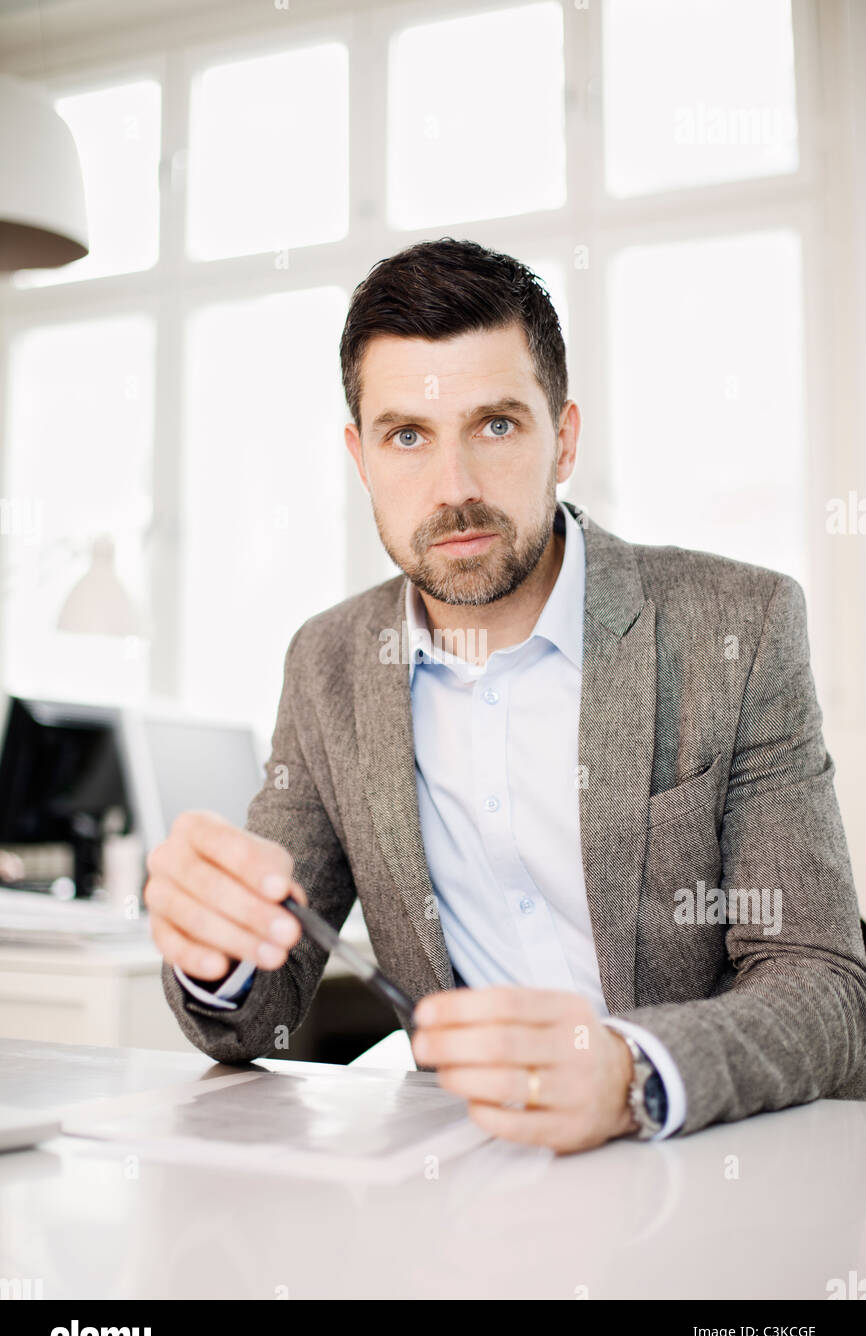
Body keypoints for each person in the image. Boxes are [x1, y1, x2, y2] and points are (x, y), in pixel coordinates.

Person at [147, 237, 866, 1152]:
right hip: (462, 1181)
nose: (454, 491)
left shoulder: (740, 626)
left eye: (495, 425)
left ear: (562, 438)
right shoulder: (326, 663)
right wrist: (219, 954)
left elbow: (824, 984)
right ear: (360, 457)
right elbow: (265, 1013)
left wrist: (631, 1073)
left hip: (705, 1152)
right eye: (408, 435)